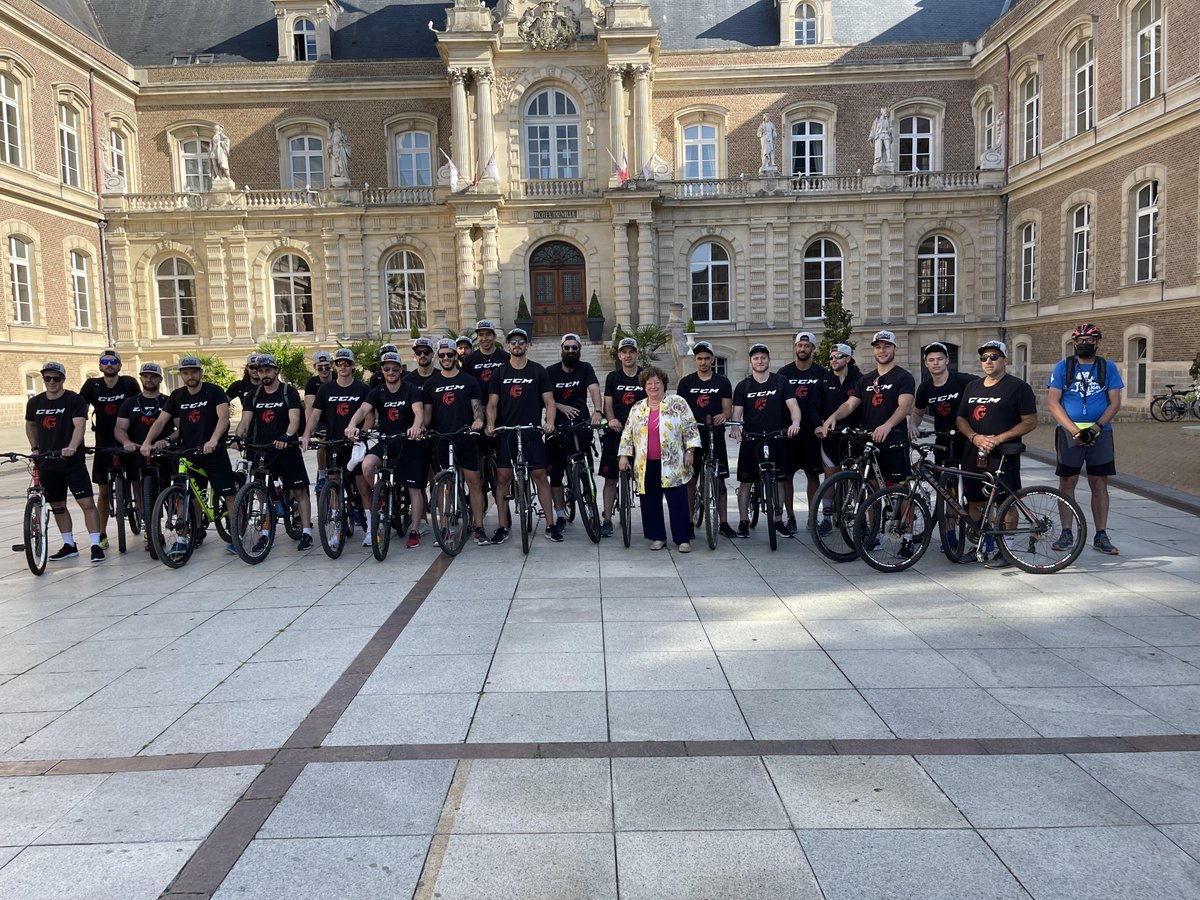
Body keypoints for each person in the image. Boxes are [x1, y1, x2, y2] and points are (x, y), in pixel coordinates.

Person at [955, 340, 1038, 567]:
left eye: (994, 356)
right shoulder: (973, 386)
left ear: (1004, 359)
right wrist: (974, 437)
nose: (988, 361)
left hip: (1003, 454)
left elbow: (1030, 421)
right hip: (973, 452)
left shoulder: (1018, 387)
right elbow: (961, 418)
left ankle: (1006, 551)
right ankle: (979, 546)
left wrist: (999, 438)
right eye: (984, 358)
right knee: (975, 501)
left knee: (1006, 502)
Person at [141, 355, 237, 551]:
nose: (190, 376)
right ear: (181, 375)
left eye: (194, 372)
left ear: (200, 372)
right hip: (189, 452)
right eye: (185, 373)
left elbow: (223, 418)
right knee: (188, 496)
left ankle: (238, 535)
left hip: (214, 452)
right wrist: (147, 442)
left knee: (229, 496)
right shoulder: (177, 396)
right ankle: (184, 539)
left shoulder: (214, 391)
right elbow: (160, 421)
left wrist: (213, 440)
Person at [1047, 322, 1124, 555]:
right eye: (1080, 341)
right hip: (1069, 433)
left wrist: (1096, 427)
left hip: (1101, 433)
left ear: (1097, 342)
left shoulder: (1107, 367)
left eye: (1089, 340)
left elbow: (1115, 402)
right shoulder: (1064, 367)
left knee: (1099, 483)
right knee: (1067, 482)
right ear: (1074, 343)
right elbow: (1053, 402)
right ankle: (1066, 532)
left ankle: (1101, 534)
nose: (1084, 344)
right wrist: (1074, 430)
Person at [233, 353, 314, 553]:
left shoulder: (288, 392)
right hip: (262, 449)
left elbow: (294, 419)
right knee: (262, 492)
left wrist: (287, 436)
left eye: (268, 370)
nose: (264, 374)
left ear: (276, 371)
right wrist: (238, 437)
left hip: (286, 448)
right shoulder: (254, 395)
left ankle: (306, 532)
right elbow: (245, 421)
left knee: (299, 491)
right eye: (260, 371)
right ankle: (265, 533)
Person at [485, 328, 559, 543]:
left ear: (527, 345)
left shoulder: (537, 370)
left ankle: (550, 525)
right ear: (508, 346)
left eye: (520, 341)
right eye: (513, 342)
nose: (516, 345)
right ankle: (502, 527)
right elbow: (492, 404)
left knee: (540, 477)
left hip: (531, 432)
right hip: (506, 434)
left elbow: (549, 402)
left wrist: (549, 423)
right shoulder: (500, 372)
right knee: (503, 479)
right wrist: (490, 424)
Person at [347, 351, 426, 549]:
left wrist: (416, 426)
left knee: (414, 488)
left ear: (401, 370)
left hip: (408, 440)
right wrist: (352, 424)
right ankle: (380, 494)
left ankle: (415, 530)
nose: (391, 372)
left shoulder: (410, 389)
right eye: (387, 368)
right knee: (367, 465)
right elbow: (363, 410)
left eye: (395, 369)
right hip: (386, 440)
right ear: (382, 370)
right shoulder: (378, 391)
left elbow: (419, 412)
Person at [27, 361, 104, 562]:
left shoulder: (74, 400)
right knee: (58, 505)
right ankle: (69, 545)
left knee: (86, 503)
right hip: (47, 462)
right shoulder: (35, 403)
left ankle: (95, 544)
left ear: (63, 379)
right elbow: (31, 425)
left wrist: (72, 446)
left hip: (72, 461)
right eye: (47, 378)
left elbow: (79, 426)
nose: (52, 382)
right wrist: (35, 448)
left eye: (56, 378)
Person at [817, 330, 915, 486]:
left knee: (899, 490)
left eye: (887, 346)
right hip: (869, 440)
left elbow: (905, 406)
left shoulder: (903, 377)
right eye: (878, 347)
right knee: (870, 489)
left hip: (894, 440)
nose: (882, 350)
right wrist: (833, 417)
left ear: (894, 348)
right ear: (873, 350)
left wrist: (887, 425)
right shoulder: (866, 380)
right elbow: (849, 404)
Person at [619, 367, 701, 551]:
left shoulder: (677, 403)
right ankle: (657, 537)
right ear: (644, 386)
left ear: (664, 384)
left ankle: (683, 539)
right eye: (649, 383)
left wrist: (690, 451)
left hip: (673, 462)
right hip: (645, 463)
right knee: (650, 502)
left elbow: (690, 428)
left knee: (678, 501)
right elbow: (627, 433)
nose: (653, 386)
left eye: (657, 382)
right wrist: (624, 455)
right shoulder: (638, 407)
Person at [301, 347, 373, 547]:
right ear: (335, 366)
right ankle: (338, 530)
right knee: (334, 487)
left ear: (353, 366)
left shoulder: (362, 388)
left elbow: (370, 417)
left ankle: (371, 527)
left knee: (363, 487)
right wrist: (306, 434)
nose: (343, 366)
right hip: (334, 443)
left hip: (355, 444)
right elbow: (315, 415)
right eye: (339, 363)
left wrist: (362, 432)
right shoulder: (326, 389)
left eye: (346, 363)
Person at [731, 343, 801, 539]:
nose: (760, 361)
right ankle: (743, 521)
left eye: (763, 357)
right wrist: (735, 428)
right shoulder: (743, 386)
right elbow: (736, 413)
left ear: (768, 360)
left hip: (776, 436)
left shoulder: (780, 381)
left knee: (779, 480)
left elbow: (793, 406)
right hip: (751, 438)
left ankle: (778, 521)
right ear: (750, 361)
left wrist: (795, 423)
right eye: (756, 358)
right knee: (746, 481)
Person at [423, 338, 489, 547]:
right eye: (442, 355)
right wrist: (421, 426)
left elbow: (477, 408)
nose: (446, 358)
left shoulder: (469, 380)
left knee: (474, 481)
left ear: (455, 356)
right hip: (442, 438)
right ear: (437, 357)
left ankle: (479, 528)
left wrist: (478, 421)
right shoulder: (431, 383)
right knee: (444, 484)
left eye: (450, 355)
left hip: (465, 435)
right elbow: (427, 414)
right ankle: (444, 528)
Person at [79, 348, 138, 549]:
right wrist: (78, 441)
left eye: (113, 362)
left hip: (128, 440)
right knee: (103, 491)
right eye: (105, 362)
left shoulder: (128, 383)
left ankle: (147, 525)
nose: (109, 365)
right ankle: (101, 534)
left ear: (120, 365)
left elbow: (140, 404)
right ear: (100, 366)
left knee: (137, 482)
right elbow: (80, 412)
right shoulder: (92, 385)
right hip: (103, 441)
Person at [677, 341, 736, 539]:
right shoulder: (686, 382)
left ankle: (723, 523)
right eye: (699, 358)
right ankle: (688, 522)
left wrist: (723, 416)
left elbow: (727, 410)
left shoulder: (722, 382)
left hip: (714, 434)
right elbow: (680, 409)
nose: (703, 362)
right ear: (695, 360)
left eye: (707, 358)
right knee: (691, 480)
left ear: (712, 359)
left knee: (720, 481)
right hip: (692, 436)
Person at [545, 332, 602, 530]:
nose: (570, 350)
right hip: (557, 426)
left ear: (579, 350)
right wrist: (560, 406)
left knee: (587, 472)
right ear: (562, 349)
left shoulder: (585, 368)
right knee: (556, 475)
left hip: (580, 423)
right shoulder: (550, 371)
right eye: (567, 347)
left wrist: (598, 411)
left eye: (574, 348)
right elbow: (546, 398)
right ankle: (561, 514)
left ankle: (592, 510)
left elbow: (594, 389)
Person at [115, 362, 173, 551]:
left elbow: (180, 428)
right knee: (140, 489)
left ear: (160, 379)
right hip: (137, 452)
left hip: (165, 453)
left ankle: (181, 526)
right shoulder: (130, 403)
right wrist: (126, 442)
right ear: (140, 378)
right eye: (145, 376)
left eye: (153, 376)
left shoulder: (168, 401)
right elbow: (120, 428)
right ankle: (150, 528)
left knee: (171, 488)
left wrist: (166, 440)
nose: (149, 379)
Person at [777, 331, 828, 534]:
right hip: (789, 432)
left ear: (813, 348)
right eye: (800, 345)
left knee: (813, 476)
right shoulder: (784, 373)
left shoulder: (821, 373)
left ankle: (812, 517)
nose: (803, 349)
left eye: (807, 346)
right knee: (787, 476)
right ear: (795, 347)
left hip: (812, 433)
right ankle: (790, 517)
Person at [600, 337, 646, 536]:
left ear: (637, 354)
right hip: (616, 432)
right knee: (610, 478)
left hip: (640, 433)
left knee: (644, 478)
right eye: (624, 352)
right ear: (619, 355)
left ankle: (649, 518)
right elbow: (608, 404)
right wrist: (611, 419)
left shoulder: (645, 375)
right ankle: (607, 520)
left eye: (631, 352)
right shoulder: (613, 377)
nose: (628, 356)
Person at [909, 341, 975, 461]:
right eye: (931, 360)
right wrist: (912, 425)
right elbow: (917, 413)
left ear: (947, 360)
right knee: (941, 472)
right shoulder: (924, 388)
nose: (936, 363)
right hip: (942, 440)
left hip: (967, 439)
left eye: (940, 359)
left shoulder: (963, 380)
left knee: (968, 473)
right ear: (926, 363)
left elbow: (985, 387)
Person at [304, 350, 334, 491]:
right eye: (320, 367)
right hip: (321, 417)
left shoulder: (337, 377)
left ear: (331, 366)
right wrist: (309, 429)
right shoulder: (312, 383)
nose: (324, 370)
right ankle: (322, 475)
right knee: (322, 441)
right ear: (315, 367)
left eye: (327, 367)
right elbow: (309, 406)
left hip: (337, 416)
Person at [462, 320, 509, 389]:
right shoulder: (468, 360)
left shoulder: (506, 358)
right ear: (477, 337)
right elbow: (466, 384)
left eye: (488, 334)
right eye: (481, 335)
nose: (484, 338)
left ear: (494, 336)